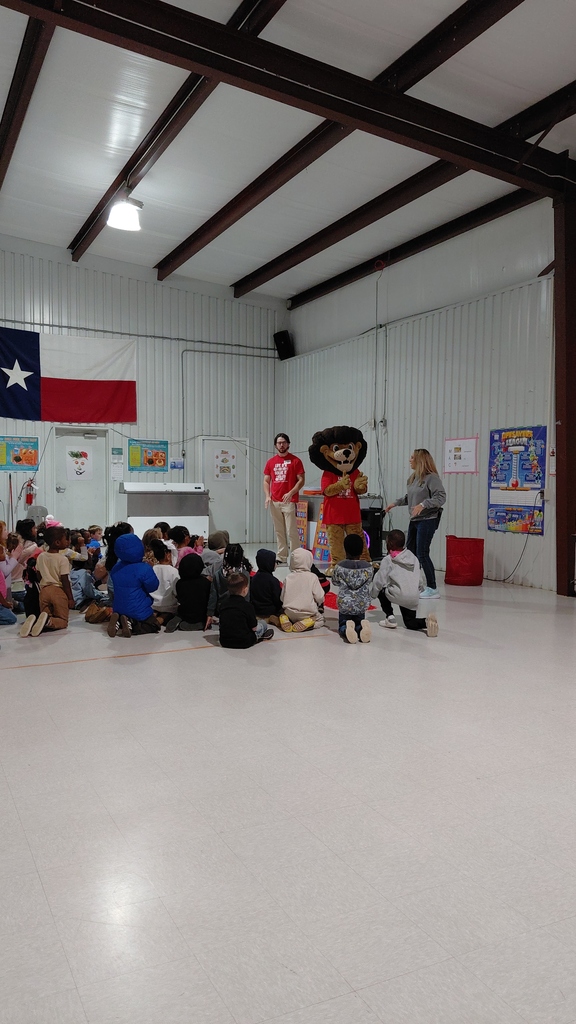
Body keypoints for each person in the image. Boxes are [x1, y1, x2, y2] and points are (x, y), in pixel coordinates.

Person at [385, 448, 446, 598]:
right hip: (415, 520)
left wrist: (424, 504)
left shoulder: (432, 478)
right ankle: (413, 582)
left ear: (420, 460)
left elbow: (441, 497)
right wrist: (395, 503)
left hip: (428, 520)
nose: (410, 460)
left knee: (422, 553)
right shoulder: (413, 478)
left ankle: (432, 588)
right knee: (410, 553)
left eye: (412, 458)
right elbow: (410, 497)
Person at [371, 528, 438, 637]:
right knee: (410, 623)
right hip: (413, 597)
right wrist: (418, 590)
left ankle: (390, 617)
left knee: (381, 590)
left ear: (390, 544)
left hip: (397, 594)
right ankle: (426, 621)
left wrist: (372, 595)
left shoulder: (388, 560)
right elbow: (420, 579)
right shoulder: (413, 558)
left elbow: (379, 580)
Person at [20, 526, 75, 636]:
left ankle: (35, 622)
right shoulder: (62, 559)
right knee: (62, 620)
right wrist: (70, 598)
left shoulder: (41, 556)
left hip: (44, 590)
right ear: (58, 542)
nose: (68, 541)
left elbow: (39, 575)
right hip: (58, 591)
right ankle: (47, 621)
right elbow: (65, 580)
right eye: (65, 539)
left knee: (45, 614)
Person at [107, 533, 160, 638]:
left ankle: (119, 622)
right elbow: (153, 586)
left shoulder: (116, 568)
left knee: (124, 613)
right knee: (154, 625)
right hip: (139, 609)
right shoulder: (144, 568)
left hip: (118, 607)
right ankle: (132, 623)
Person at [263, 433, 304, 565]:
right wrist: (267, 496)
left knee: (291, 530)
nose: (282, 445)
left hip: (289, 501)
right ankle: (281, 556)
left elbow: (301, 480)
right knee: (279, 530)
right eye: (279, 442)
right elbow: (266, 481)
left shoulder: (296, 461)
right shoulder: (270, 462)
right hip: (275, 501)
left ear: (288, 444)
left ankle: (296, 557)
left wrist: (291, 493)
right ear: (275, 445)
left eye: (284, 442)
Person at [332, 533, 373, 643]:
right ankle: (361, 628)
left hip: (345, 603)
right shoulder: (369, 567)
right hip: (361, 603)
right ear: (362, 550)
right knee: (359, 620)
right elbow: (369, 581)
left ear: (345, 550)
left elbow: (335, 582)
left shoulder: (339, 566)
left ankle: (346, 628)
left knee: (343, 623)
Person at [219, 572, 274, 648]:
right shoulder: (248, 606)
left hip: (225, 641)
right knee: (263, 623)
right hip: (245, 642)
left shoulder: (223, 604)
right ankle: (258, 637)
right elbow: (254, 628)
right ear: (245, 590)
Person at [280, 548, 324, 632]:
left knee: (284, 612)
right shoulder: (313, 577)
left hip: (289, 612)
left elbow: (282, 598)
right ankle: (309, 623)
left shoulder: (288, 577)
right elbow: (320, 597)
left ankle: (286, 619)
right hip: (307, 613)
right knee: (321, 620)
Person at [165, 552, 211, 632]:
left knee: (182, 611)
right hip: (200, 614)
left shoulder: (179, 583)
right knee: (200, 618)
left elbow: (180, 598)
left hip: (184, 612)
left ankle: (178, 619)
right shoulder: (205, 582)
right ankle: (196, 624)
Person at [207, 543, 252, 621]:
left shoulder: (218, 574)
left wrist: (209, 614)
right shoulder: (244, 574)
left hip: (222, 610)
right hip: (239, 609)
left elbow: (213, 595)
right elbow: (246, 597)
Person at [149, 538, 179, 623]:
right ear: (167, 555)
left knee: (153, 612)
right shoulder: (173, 571)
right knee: (168, 613)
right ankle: (159, 621)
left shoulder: (152, 569)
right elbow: (176, 590)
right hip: (168, 606)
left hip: (153, 605)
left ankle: (151, 618)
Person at [250, 548, 283, 626]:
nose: (276, 564)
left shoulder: (254, 578)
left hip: (256, 610)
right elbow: (277, 600)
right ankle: (271, 618)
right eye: (274, 562)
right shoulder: (273, 581)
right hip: (269, 611)